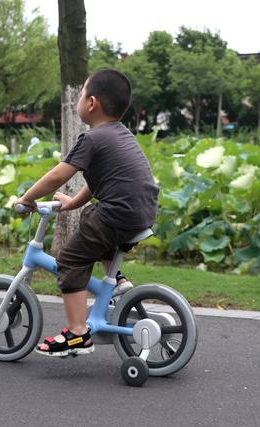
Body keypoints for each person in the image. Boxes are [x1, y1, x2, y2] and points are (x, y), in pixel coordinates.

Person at [15, 69, 159, 357]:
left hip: (118, 213)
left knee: (69, 260)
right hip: (140, 211)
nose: (78, 100)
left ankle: (77, 333)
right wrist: (73, 203)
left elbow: (58, 174)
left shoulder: (92, 138)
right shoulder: (120, 134)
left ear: (91, 103)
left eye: (80, 95)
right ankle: (115, 279)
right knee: (91, 217)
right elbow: (99, 181)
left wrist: (27, 198)